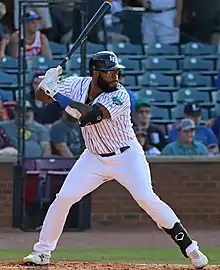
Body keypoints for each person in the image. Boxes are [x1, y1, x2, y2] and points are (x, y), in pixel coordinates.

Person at [23, 51, 208, 269]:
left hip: (126, 156)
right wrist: (47, 83)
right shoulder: (77, 85)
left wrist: (54, 92)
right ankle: (42, 252)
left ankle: (191, 248)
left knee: (146, 198)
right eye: (108, 73)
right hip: (93, 157)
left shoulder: (120, 96)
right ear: (95, 73)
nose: (114, 77)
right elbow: (40, 96)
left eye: (116, 72)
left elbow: (88, 115)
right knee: (64, 197)